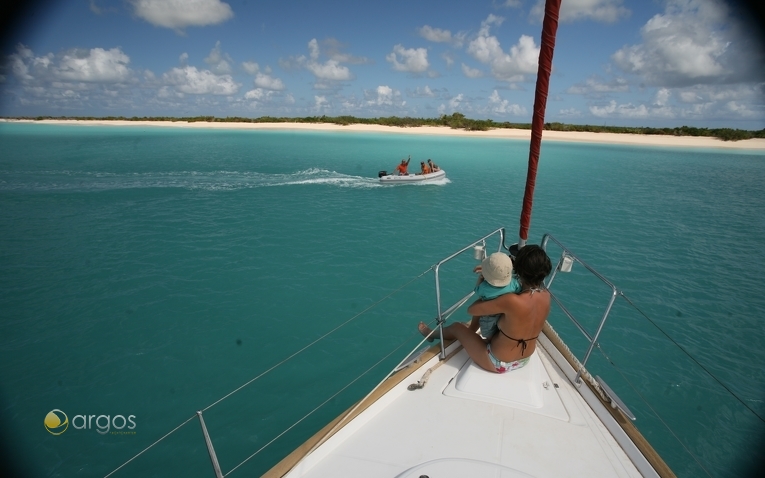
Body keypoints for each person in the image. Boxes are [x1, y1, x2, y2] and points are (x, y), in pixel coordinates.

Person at [418, 245, 552, 373]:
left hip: (498, 362)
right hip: (524, 359)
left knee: (457, 327)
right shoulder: (546, 296)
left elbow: (472, 310)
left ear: (519, 269)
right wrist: (497, 275)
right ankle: (471, 332)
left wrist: (485, 281)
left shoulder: (511, 300)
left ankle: (431, 334)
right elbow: (521, 287)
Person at [468, 253, 521, 339]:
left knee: (489, 335)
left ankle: (488, 342)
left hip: (489, 315)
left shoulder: (484, 288)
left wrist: (481, 277)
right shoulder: (514, 283)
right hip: (504, 313)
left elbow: (477, 291)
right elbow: (519, 290)